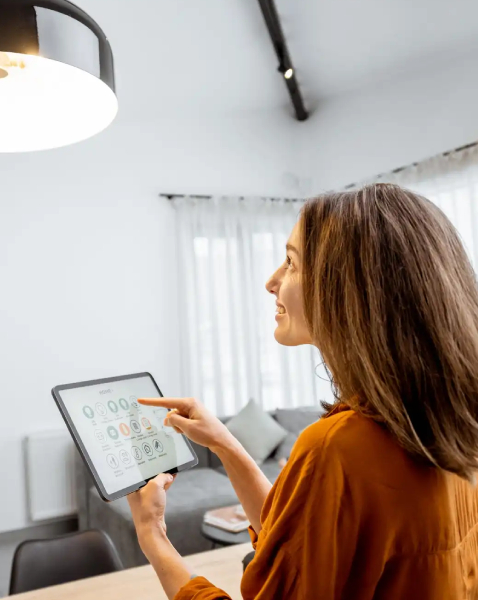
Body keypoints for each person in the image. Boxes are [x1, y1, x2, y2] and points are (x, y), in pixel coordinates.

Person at [128, 184, 478, 600]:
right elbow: (302, 548)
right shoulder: (444, 429)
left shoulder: (338, 449)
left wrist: (153, 535)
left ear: (348, 288)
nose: (271, 281)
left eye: (291, 263)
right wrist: (225, 443)